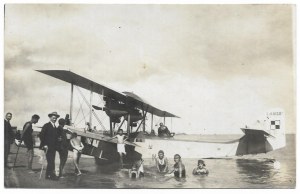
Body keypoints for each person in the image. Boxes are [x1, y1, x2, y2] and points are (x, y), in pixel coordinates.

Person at [39, 111, 60, 180]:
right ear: (50, 117)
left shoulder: (55, 127)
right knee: (50, 161)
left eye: (56, 118)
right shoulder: (46, 125)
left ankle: (48, 175)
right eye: (53, 118)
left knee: (51, 161)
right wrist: (44, 144)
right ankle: (51, 175)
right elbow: (41, 135)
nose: (55, 119)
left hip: (53, 147)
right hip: (47, 147)